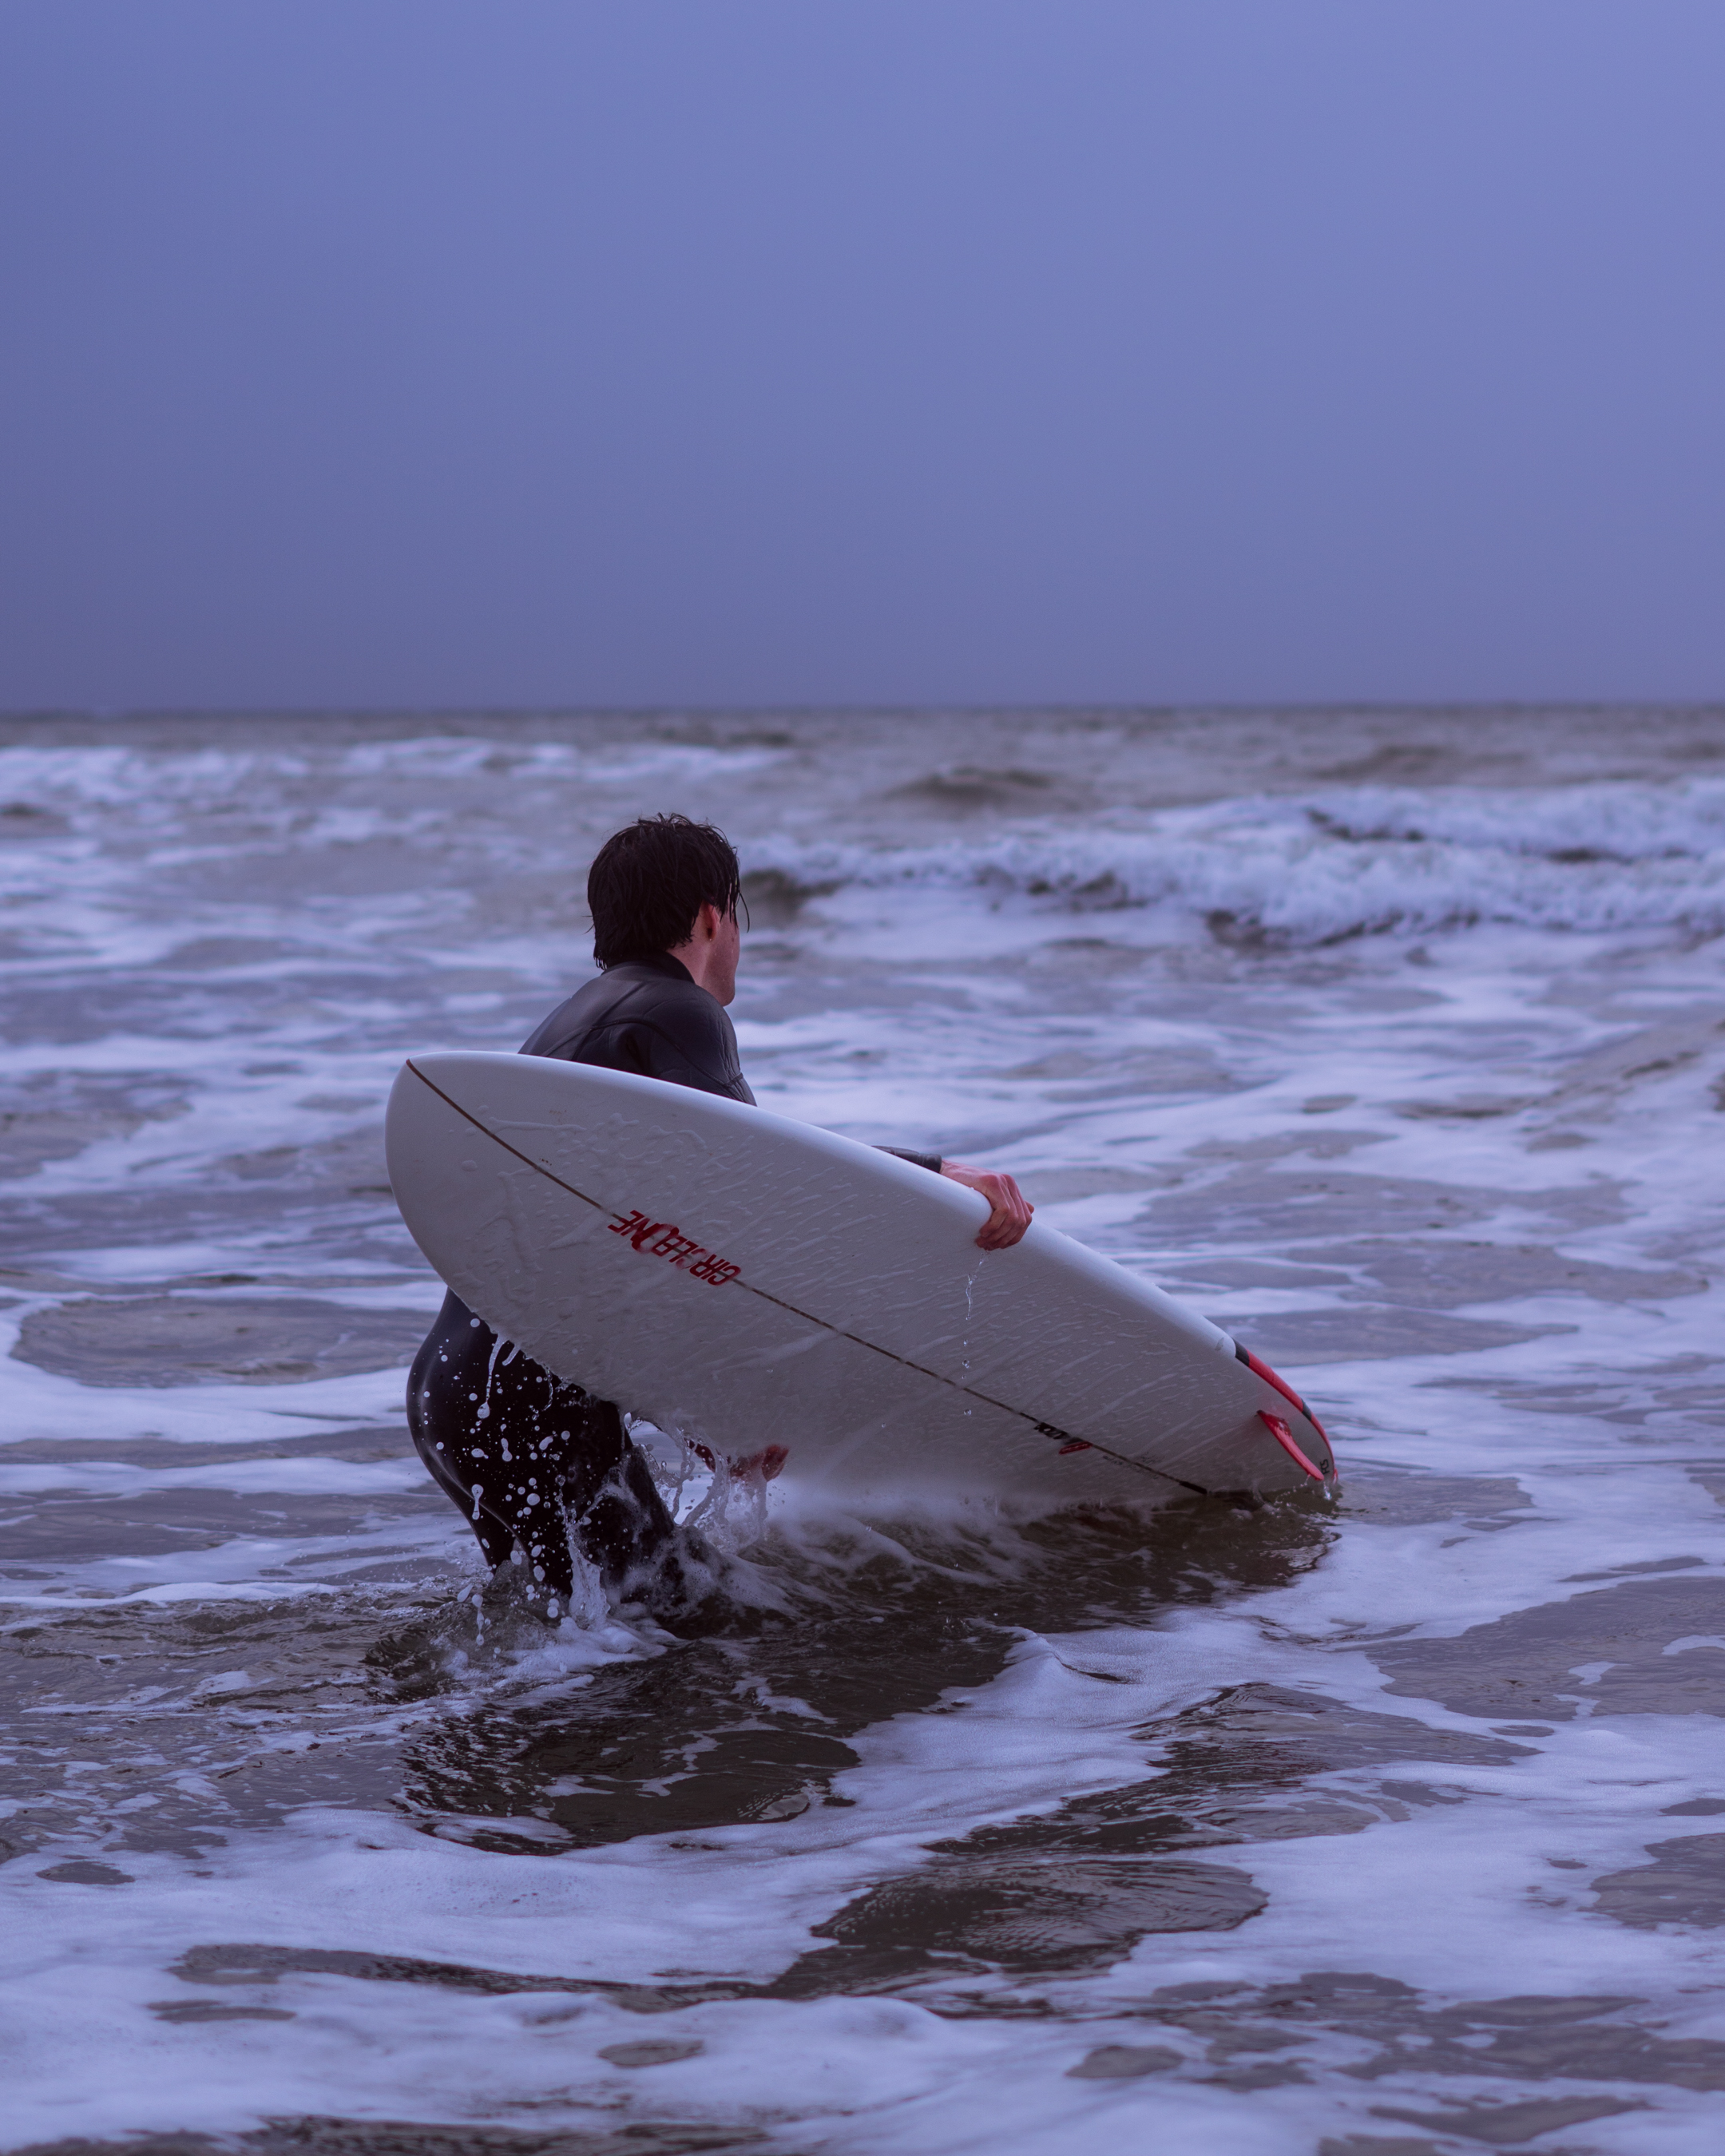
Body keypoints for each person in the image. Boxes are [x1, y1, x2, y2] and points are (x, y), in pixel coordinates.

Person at [406, 814, 1032, 1623]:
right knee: (669, 1633)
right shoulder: (677, 1010)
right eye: (738, 917)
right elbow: (760, 1179)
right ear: (711, 916)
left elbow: (635, 1255)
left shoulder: (577, 1025)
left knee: (567, 1637)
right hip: (533, 1398)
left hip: (458, 1392)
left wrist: (705, 1422)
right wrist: (944, 1175)